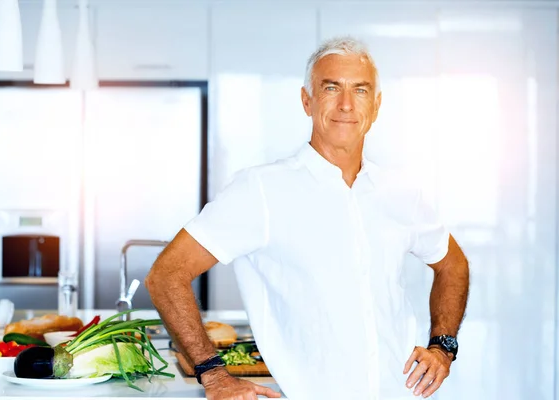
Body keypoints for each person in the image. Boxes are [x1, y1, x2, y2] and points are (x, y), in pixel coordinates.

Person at [145, 36, 470, 400]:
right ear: (307, 101)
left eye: (360, 91)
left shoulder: (401, 194)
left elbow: (452, 264)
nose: (346, 104)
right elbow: (166, 275)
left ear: (376, 106)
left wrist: (443, 346)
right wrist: (213, 374)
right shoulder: (261, 190)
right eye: (331, 88)